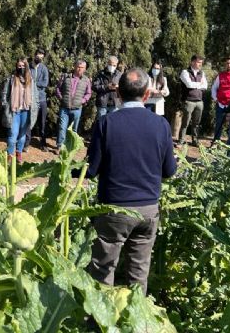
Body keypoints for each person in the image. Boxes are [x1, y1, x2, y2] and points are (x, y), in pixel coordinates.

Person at [84, 68, 176, 293]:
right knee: (138, 274)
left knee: (103, 271)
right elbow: (169, 171)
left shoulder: (106, 123)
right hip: (147, 210)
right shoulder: (161, 125)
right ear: (146, 95)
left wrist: (67, 169)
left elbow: (91, 170)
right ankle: (136, 319)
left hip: (114, 209)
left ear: (118, 95)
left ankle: (100, 324)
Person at [0, 58, 38, 163]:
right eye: (19, 66)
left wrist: (35, 109)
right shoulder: (11, 79)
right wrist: (6, 106)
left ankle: (19, 152)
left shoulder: (31, 80)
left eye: (23, 66)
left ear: (26, 67)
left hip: (26, 111)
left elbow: (36, 97)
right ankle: (10, 154)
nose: (21, 68)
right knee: (13, 135)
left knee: (22, 135)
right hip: (14, 111)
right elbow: (4, 94)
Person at [55, 60, 92, 151]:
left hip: (77, 109)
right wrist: (61, 98)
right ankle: (60, 146)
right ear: (74, 67)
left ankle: (70, 147)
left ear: (85, 69)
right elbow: (58, 89)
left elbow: (88, 93)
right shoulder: (65, 77)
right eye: (78, 67)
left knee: (73, 130)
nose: (79, 69)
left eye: (82, 67)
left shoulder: (86, 80)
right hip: (65, 108)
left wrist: (83, 101)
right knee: (62, 127)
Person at [178, 55, 208, 146]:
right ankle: (181, 140)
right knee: (185, 122)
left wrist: (196, 84)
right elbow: (189, 85)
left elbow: (205, 86)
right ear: (192, 62)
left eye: (201, 62)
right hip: (188, 101)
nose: (200, 64)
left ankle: (195, 141)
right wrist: (199, 84)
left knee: (197, 123)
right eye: (198, 62)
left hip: (199, 101)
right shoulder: (185, 72)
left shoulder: (202, 73)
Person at [210, 57, 230, 145]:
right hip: (221, 104)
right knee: (218, 125)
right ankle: (216, 143)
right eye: (227, 63)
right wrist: (216, 99)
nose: (229, 65)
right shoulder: (221, 75)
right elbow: (214, 88)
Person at [25, 48, 50, 151]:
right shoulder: (28, 68)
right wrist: (31, 83)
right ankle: (26, 143)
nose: (40, 56)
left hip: (41, 99)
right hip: (30, 99)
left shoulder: (44, 69)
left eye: (42, 55)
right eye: (38, 54)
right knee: (28, 122)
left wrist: (33, 83)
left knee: (42, 122)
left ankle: (43, 144)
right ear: (35, 54)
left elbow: (45, 84)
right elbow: (26, 81)